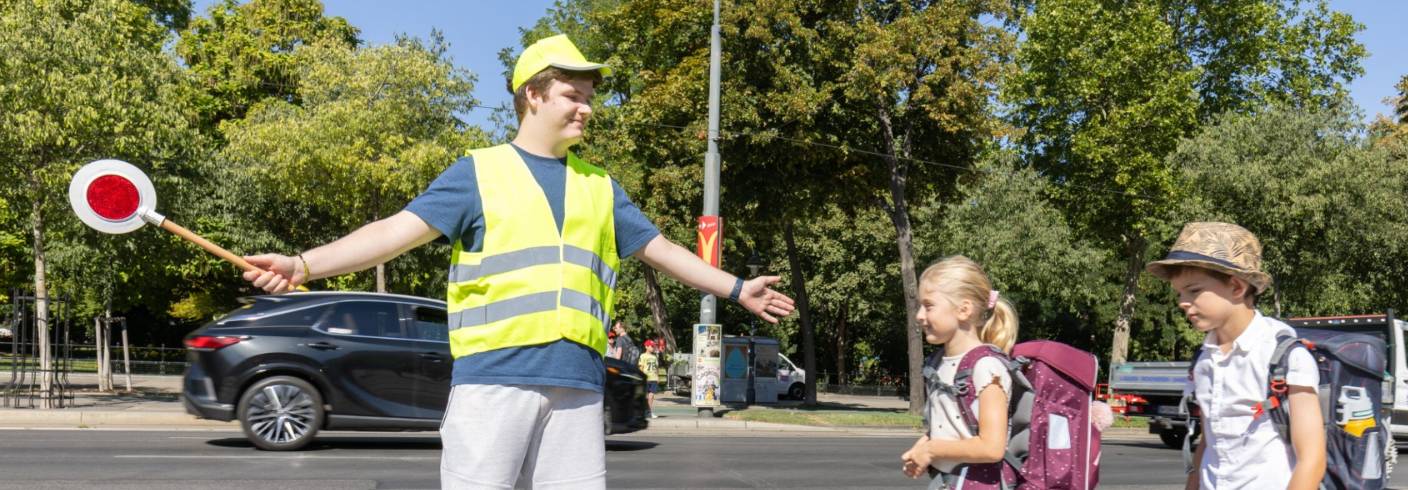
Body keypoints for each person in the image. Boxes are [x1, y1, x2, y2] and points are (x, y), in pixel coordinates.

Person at [239, 33, 795, 490]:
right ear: (533, 95)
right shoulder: (477, 172)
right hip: (494, 382)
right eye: (573, 95)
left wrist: (736, 288)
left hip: (577, 383)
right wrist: (302, 264)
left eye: (589, 96)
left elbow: (663, 250)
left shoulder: (600, 186)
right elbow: (392, 234)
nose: (587, 107)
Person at [1144, 222, 1326, 490]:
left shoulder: (1286, 358)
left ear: (1237, 287)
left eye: (1194, 291)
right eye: (1180, 293)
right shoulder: (1204, 360)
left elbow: (1312, 459)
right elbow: (1209, 442)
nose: (1182, 302)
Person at [899, 256, 1016, 487]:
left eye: (929, 305)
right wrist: (922, 448)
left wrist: (932, 450)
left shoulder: (986, 366)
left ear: (963, 310)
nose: (919, 315)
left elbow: (992, 447)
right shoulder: (940, 363)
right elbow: (955, 430)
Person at [638, 340, 660, 418]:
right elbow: (641, 367)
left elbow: (656, 368)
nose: (653, 347)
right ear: (646, 346)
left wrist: (657, 377)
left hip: (653, 378)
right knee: (645, 396)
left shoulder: (654, 357)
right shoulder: (643, 356)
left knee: (651, 395)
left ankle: (649, 411)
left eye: (653, 346)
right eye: (651, 346)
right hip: (646, 378)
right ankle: (642, 412)